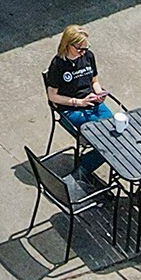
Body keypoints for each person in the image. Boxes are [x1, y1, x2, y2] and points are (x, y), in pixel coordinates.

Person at [44, 25, 113, 183]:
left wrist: (98, 92)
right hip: (71, 109)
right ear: (68, 45)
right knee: (105, 138)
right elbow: (52, 96)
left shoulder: (88, 56)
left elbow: (94, 80)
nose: (83, 51)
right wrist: (78, 102)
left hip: (92, 103)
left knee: (117, 132)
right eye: (80, 48)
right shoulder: (58, 65)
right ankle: (84, 168)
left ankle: (85, 166)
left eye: (85, 47)